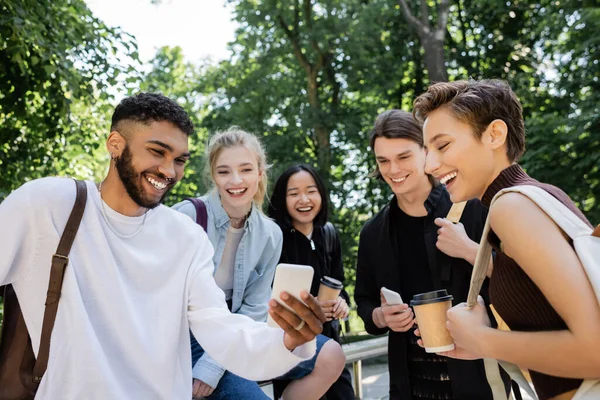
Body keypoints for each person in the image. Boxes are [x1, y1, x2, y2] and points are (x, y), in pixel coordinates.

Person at [0, 93, 326, 399]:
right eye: (157, 152)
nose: (169, 171)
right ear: (115, 144)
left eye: (180, 159)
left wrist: (288, 340)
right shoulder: (48, 205)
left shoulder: (185, 236)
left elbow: (222, 328)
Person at [414, 79, 600, 400]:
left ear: (495, 135)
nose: (430, 165)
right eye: (427, 151)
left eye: (442, 146)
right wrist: (482, 342)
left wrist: (484, 340)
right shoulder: (527, 201)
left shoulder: (511, 206)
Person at [173, 130, 345, 399]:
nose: (236, 181)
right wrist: (207, 362)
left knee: (330, 354)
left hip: (241, 330)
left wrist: (213, 366)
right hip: (191, 335)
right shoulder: (188, 217)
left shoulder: (270, 234)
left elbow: (254, 307)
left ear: (260, 172)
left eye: (246, 169)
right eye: (224, 172)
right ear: (213, 176)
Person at [354, 109, 510, 399]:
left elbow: (519, 280)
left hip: (478, 377)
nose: (393, 170)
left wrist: (468, 250)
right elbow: (364, 301)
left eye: (403, 157)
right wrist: (380, 316)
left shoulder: (474, 208)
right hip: (407, 383)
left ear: (426, 154)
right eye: (383, 161)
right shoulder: (372, 233)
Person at [268, 163, 356, 400]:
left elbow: (339, 285)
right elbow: (266, 297)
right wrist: (310, 305)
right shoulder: (273, 238)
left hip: (330, 344)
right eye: (293, 193)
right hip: (292, 347)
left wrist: (341, 304)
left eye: (311, 190)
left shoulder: (328, 234)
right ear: (281, 199)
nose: (304, 199)